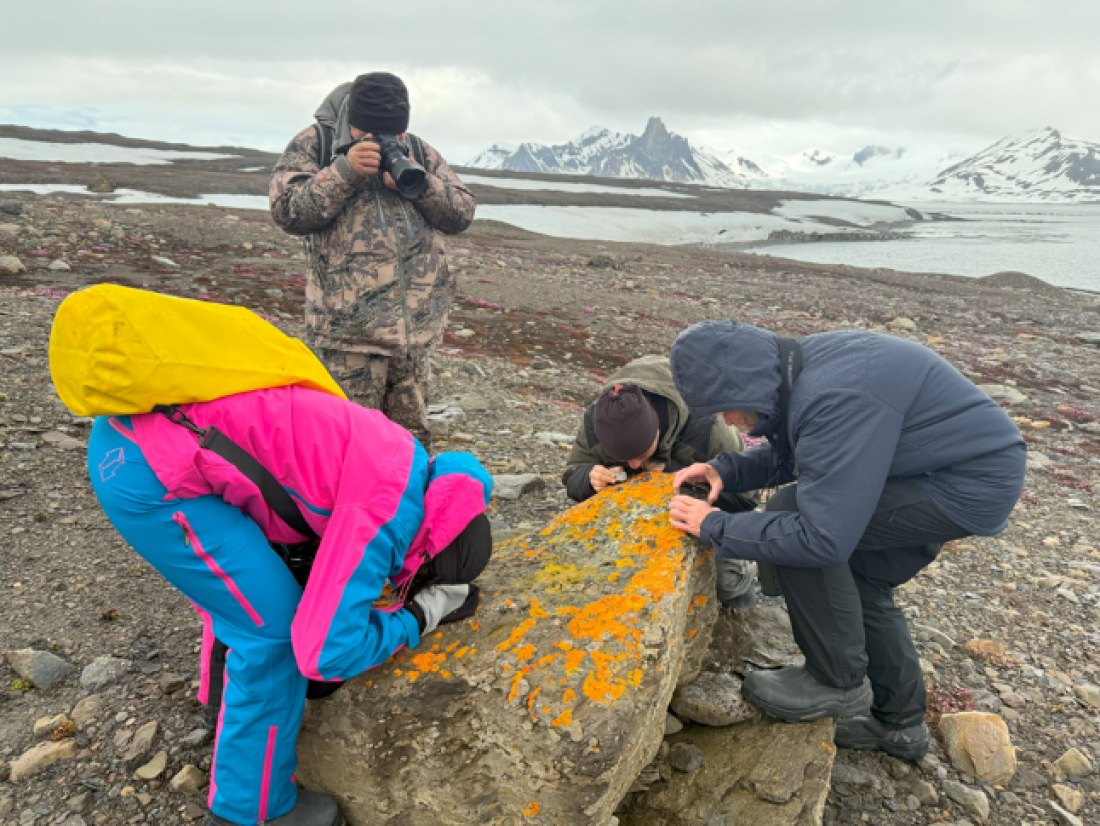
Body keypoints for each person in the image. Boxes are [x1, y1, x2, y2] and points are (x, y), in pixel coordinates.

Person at [87, 385, 493, 826]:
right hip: (152, 474)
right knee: (272, 632)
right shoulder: (386, 512)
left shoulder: (408, 461)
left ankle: (220, 704)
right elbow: (326, 653)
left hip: (131, 431)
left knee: (247, 594)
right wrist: (421, 613)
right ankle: (251, 811)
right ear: (428, 553)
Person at [666, 321, 1025, 760]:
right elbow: (812, 447)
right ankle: (900, 727)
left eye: (728, 407)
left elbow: (821, 537)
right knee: (862, 581)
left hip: (965, 483)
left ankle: (835, 681)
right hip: (944, 466)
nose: (727, 421)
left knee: (795, 516)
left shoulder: (836, 394)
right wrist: (727, 470)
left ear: (749, 382)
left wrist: (715, 526)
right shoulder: (798, 369)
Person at [270, 72, 476, 449]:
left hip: (412, 338)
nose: (382, 140)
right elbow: (287, 211)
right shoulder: (315, 144)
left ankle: (408, 489)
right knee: (345, 444)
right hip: (347, 339)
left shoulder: (417, 150)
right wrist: (344, 171)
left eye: (394, 132)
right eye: (369, 132)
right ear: (352, 120)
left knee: (409, 445)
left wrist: (422, 185)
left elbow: (462, 213)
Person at [562, 354, 759, 609]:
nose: (634, 466)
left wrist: (675, 473)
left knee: (727, 582)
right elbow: (572, 473)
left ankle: (745, 579)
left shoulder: (709, 427)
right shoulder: (601, 419)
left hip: (707, 513)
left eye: (641, 454)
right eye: (623, 459)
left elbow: (747, 497)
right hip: (633, 513)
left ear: (657, 430)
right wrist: (588, 477)